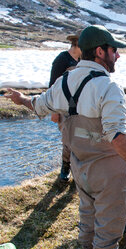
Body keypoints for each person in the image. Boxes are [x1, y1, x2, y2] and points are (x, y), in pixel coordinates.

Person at [5, 25, 126, 249]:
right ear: (99, 51)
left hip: (79, 165)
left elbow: (38, 105)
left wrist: (21, 99)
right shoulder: (108, 87)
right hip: (107, 170)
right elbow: (116, 136)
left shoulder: (64, 82)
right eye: (113, 50)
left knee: (88, 214)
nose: (117, 56)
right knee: (110, 221)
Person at [49, 30, 82, 182]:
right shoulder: (62, 59)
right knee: (67, 138)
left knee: (80, 137)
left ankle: (77, 168)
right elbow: (52, 87)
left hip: (81, 107)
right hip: (63, 107)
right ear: (77, 44)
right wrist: (54, 111)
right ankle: (65, 167)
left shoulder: (83, 60)